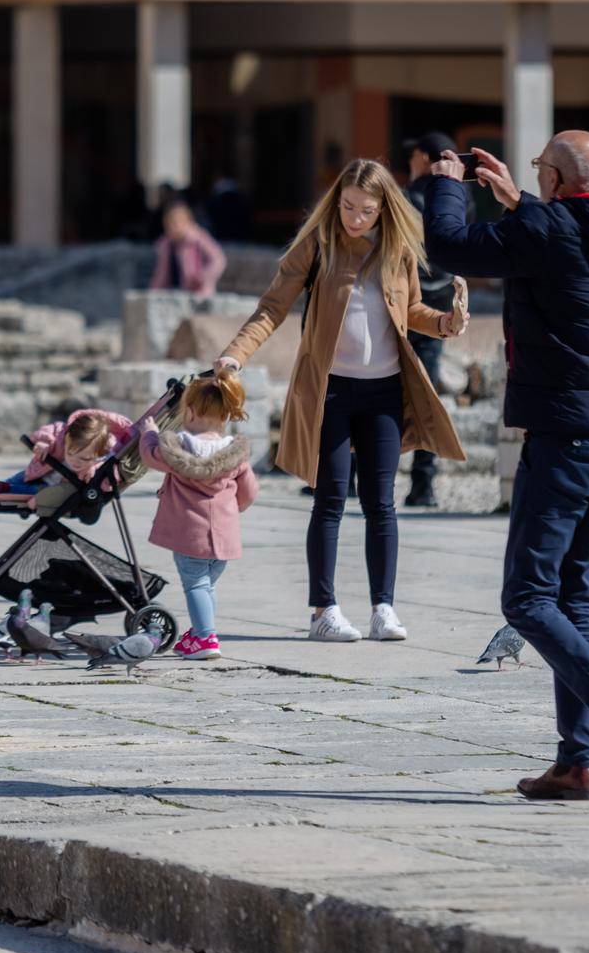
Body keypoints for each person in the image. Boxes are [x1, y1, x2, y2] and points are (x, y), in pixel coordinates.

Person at [425, 133, 589, 800]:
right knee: (572, 595)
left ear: (559, 181)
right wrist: (517, 200)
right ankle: (574, 760)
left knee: (527, 599)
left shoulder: (546, 226)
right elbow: (558, 240)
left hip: (564, 440)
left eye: (540, 168)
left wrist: (446, 181)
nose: (533, 176)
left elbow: (448, 246)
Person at [215, 158, 467, 644]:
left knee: (381, 504)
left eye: (366, 210)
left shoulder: (396, 250)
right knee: (329, 499)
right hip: (330, 390)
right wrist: (233, 355)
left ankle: (383, 608)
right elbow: (272, 307)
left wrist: (445, 323)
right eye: (348, 206)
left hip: (385, 391)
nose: (355, 217)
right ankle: (322, 611)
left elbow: (410, 310)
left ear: (383, 209)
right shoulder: (320, 244)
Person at [139, 371, 258, 660]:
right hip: (224, 538)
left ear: (188, 413)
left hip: (190, 535)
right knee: (206, 585)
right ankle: (201, 631)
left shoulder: (177, 448)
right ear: (227, 417)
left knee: (196, 584)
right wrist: (235, 508)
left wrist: (150, 433)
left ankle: (206, 638)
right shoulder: (234, 453)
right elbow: (250, 491)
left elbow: (150, 455)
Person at [402, 131, 463, 508]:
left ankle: (349, 477)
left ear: (424, 158)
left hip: (404, 304)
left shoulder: (407, 198)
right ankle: (424, 484)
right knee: (429, 394)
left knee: (372, 386)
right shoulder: (460, 199)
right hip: (441, 305)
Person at [0, 409, 133, 511]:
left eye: (85, 458)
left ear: (99, 453)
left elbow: (113, 473)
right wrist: (42, 443)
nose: (76, 461)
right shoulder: (64, 434)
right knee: (16, 479)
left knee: (18, 490)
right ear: (67, 439)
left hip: (56, 490)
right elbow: (50, 432)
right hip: (42, 472)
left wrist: (97, 469)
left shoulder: (107, 453)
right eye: (70, 453)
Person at [150, 200, 227, 297]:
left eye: (175, 223)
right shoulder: (166, 245)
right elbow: (161, 274)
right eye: (168, 225)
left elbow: (218, 259)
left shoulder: (198, 238)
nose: (173, 228)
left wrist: (203, 277)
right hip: (173, 293)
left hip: (198, 294)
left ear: (187, 222)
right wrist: (153, 293)